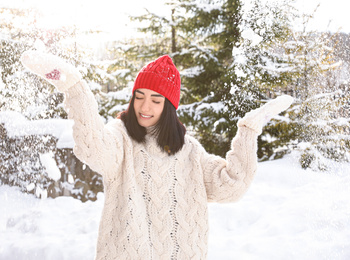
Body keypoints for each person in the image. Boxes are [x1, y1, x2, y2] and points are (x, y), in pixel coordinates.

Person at [21, 51, 293, 260]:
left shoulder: (189, 150)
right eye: (139, 96)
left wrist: (248, 131)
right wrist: (74, 88)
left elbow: (232, 186)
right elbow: (93, 147)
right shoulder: (121, 138)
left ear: (170, 106)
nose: (145, 106)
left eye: (156, 99)